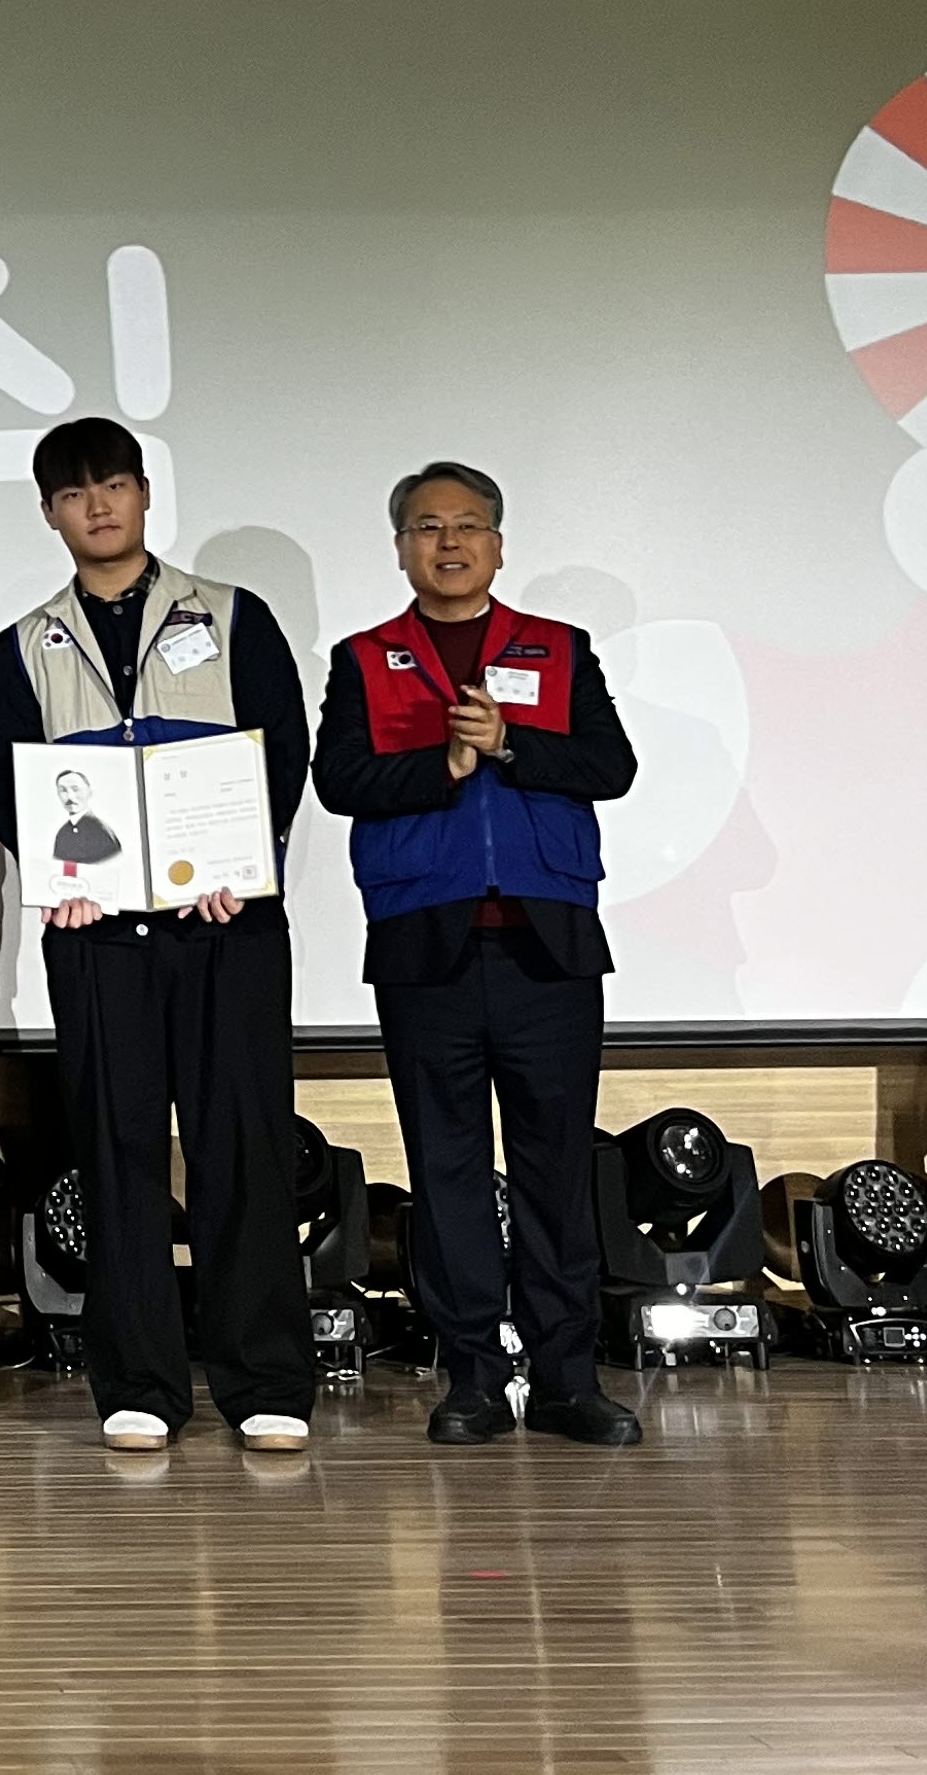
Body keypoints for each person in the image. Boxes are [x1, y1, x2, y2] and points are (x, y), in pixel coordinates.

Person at [0, 417, 317, 1455]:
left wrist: (239, 864)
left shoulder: (230, 613)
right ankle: (139, 1384)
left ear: (143, 493)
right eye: (76, 494)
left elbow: (282, 752)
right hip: (100, 939)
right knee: (117, 1151)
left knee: (243, 1146)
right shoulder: (24, 644)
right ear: (50, 513)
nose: (99, 506)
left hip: (227, 927)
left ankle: (265, 1381)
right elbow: (13, 792)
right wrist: (64, 881)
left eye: (115, 485)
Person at [312, 461, 642, 1447]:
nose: (448, 543)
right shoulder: (365, 658)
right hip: (426, 945)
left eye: (466, 526)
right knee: (446, 1168)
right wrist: (442, 765)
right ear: (400, 548)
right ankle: (470, 1378)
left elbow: (611, 765)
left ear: (498, 545)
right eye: (427, 527)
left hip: (548, 943)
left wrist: (508, 745)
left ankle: (568, 1378)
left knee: (555, 1168)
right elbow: (340, 781)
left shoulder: (558, 648)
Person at [51, 767, 121, 865]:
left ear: (89, 793)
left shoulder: (100, 830)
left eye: (75, 789)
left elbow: (112, 867)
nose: (70, 796)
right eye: (63, 790)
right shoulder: (63, 833)